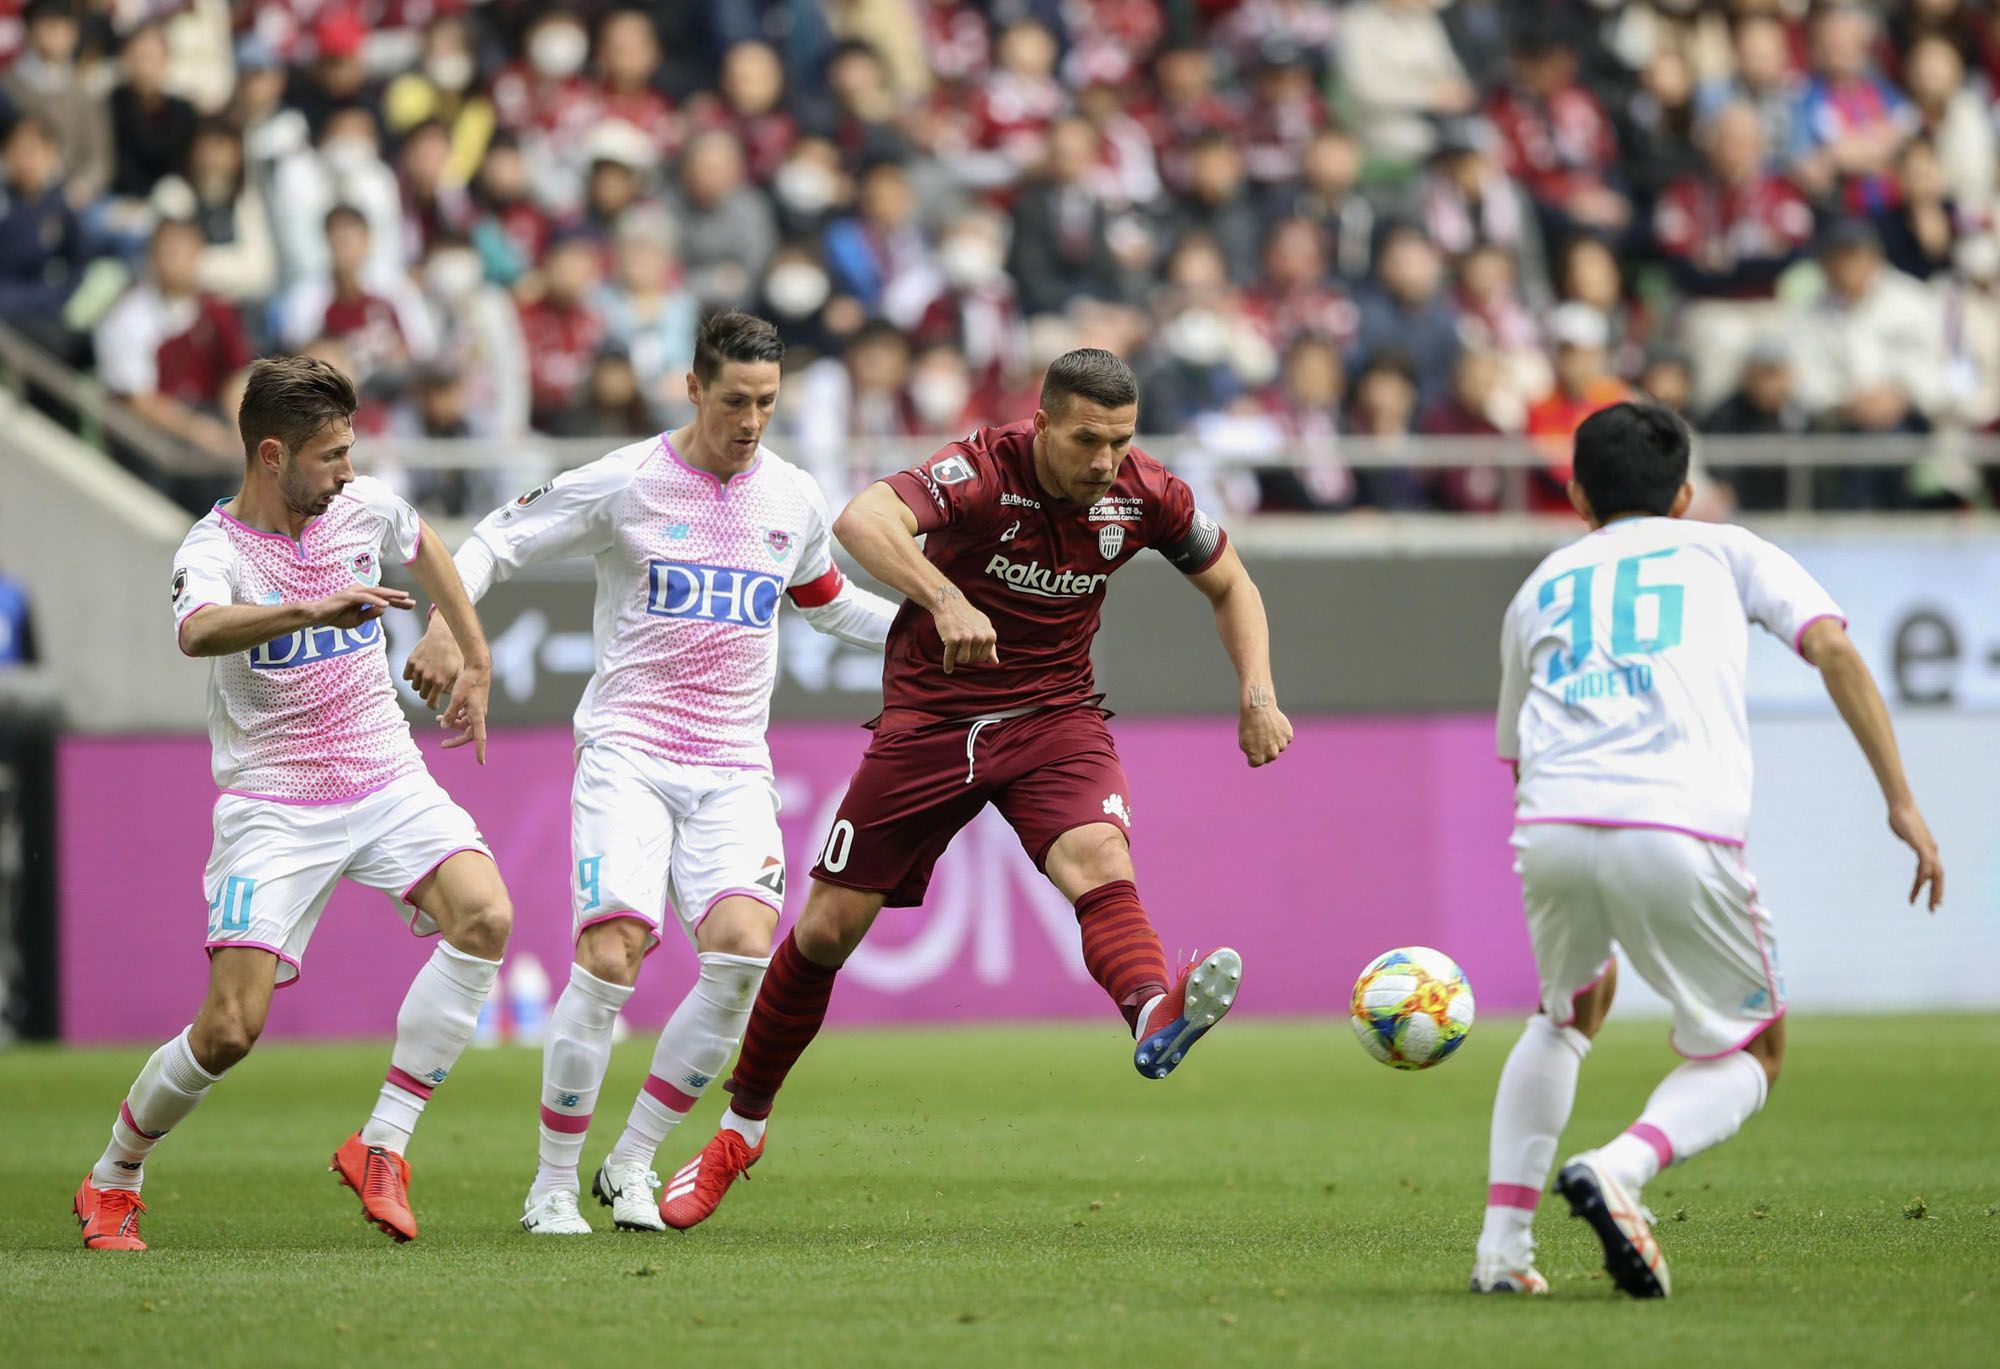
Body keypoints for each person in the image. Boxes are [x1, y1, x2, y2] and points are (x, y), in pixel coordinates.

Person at [662, 347, 1294, 1231]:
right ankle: (739, 1130)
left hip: (1053, 717)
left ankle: (1153, 1009)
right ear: (1042, 426)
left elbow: (1232, 584)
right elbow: (862, 519)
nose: (1105, 461)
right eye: (1086, 440)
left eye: (1120, 441)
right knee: (826, 931)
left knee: (1098, 856)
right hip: (932, 718)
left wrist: (1257, 693)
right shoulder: (979, 471)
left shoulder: (1147, 493)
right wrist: (942, 596)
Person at [401, 312, 898, 1236]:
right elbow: (496, 540)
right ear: (695, 389)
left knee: (745, 951)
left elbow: (829, 605)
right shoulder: (628, 479)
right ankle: (551, 1183)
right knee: (610, 954)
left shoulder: (791, 496)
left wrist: (934, 623)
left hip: (733, 766)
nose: (752, 419)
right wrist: (447, 624)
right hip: (629, 753)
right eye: (737, 400)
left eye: (768, 402)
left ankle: (631, 1162)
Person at [1473, 402, 1943, 1298]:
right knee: (1754, 1050)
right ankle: (1619, 1167)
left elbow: (1517, 752)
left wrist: (1568, 860)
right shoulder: (1727, 548)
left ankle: (1502, 1251)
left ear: (1574, 493)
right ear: (1685, 493)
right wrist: (1901, 800)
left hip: (1552, 822)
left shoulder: (1540, 583)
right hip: (1676, 822)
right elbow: (1832, 648)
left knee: (1565, 1013)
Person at [72, 356, 515, 1252]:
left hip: (385, 773)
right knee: (231, 1028)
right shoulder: (214, 549)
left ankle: (381, 1142)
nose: (347, 470)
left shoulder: (362, 506)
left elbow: (426, 545)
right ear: (271, 455)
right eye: (330, 455)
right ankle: (114, 1171)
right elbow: (198, 631)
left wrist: (474, 655)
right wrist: (311, 609)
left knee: (488, 917)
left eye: (350, 450)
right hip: (273, 803)